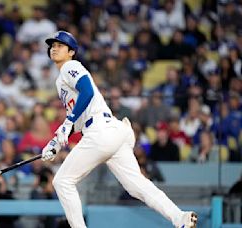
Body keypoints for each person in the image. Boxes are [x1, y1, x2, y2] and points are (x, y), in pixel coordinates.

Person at [40, 31, 197, 228]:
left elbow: (87, 91)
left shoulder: (70, 66)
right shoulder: (61, 80)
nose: (54, 48)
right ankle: (180, 217)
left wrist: (68, 122)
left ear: (71, 51)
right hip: (113, 131)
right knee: (137, 186)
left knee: (62, 181)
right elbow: (79, 118)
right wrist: (55, 141)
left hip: (100, 132)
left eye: (60, 45)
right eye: (52, 45)